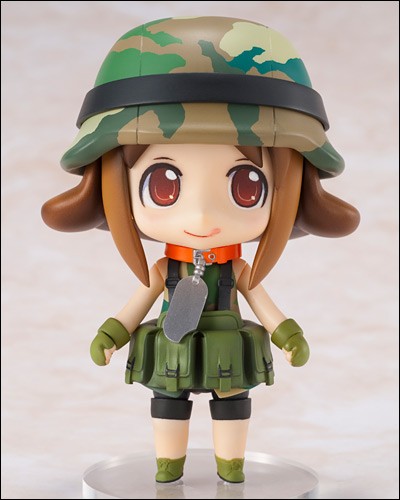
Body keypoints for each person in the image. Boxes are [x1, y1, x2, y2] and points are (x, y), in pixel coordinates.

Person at [42, 16, 360, 484]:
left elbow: (262, 303)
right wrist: (111, 334)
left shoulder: (238, 269)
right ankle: (168, 467)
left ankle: (231, 468)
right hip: (171, 352)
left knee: (232, 406)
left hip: (228, 351)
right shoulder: (164, 269)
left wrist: (288, 335)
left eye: (246, 186)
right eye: (164, 185)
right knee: (167, 405)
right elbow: (137, 304)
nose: (201, 215)